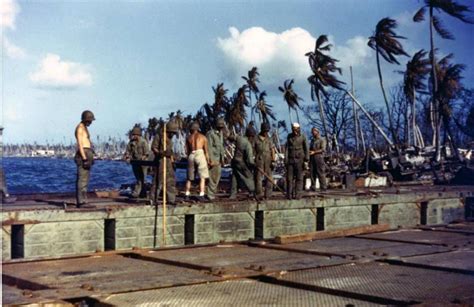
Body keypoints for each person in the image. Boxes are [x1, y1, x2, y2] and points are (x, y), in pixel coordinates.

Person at [150, 121, 178, 205]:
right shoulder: (159, 136)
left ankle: (171, 199)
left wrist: (173, 161)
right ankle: (153, 199)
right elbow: (154, 147)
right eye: (171, 133)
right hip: (161, 160)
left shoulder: (170, 139)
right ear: (168, 130)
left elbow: (171, 151)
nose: (172, 134)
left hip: (169, 161)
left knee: (170, 180)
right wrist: (160, 153)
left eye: (173, 133)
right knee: (158, 181)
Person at [74, 110, 95, 207]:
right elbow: (80, 145)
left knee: (86, 179)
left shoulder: (85, 128)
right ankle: (81, 201)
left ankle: (84, 200)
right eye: (89, 120)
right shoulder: (80, 128)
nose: (91, 122)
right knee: (82, 179)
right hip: (84, 154)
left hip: (88, 153)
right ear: (85, 119)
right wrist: (84, 158)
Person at [229, 126, 256, 199]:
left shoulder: (239, 138)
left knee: (235, 177)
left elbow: (231, 137)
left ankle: (232, 194)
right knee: (248, 176)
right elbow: (250, 160)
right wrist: (254, 165)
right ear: (251, 136)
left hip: (234, 161)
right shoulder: (248, 145)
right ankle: (252, 191)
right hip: (241, 162)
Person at [185, 121, 210, 200]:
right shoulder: (203, 137)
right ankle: (201, 194)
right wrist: (208, 160)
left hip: (191, 155)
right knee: (202, 177)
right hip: (200, 154)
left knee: (189, 177)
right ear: (198, 129)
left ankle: (187, 194)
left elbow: (187, 151)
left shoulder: (188, 138)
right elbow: (206, 151)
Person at [285, 122, 309, 200]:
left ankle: (298, 195)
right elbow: (287, 149)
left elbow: (306, 148)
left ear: (299, 129)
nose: (295, 131)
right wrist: (286, 159)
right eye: (293, 129)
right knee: (289, 179)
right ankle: (289, 195)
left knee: (299, 178)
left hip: (300, 160)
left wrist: (306, 159)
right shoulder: (289, 136)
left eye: (296, 129)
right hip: (291, 160)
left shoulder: (303, 136)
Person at [124, 126, 149, 198]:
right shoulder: (131, 143)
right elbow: (127, 151)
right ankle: (138, 193)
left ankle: (142, 193)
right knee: (138, 178)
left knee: (143, 179)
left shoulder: (143, 142)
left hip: (143, 163)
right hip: (135, 162)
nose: (133, 136)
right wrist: (127, 157)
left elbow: (147, 153)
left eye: (134, 134)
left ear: (138, 135)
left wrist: (143, 158)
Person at [206, 117, 226, 200]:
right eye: (220, 126)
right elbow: (209, 148)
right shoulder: (210, 134)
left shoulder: (220, 134)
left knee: (217, 177)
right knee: (212, 178)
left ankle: (212, 194)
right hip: (213, 159)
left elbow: (221, 147)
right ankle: (210, 195)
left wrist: (223, 159)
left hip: (218, 160)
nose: (221, 128)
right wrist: (210, 160)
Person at [254, 122, 275, 199]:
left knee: (269, 178)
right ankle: (259, 194)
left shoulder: (269, 139)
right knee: (258, 178)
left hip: (268, 160)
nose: (266, 133)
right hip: (259, 159)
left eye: (267, 131)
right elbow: (253, 150)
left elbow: (272, 149)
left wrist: (273, 160)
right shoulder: (256, 139)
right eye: (265, 131)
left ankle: (268, 195)